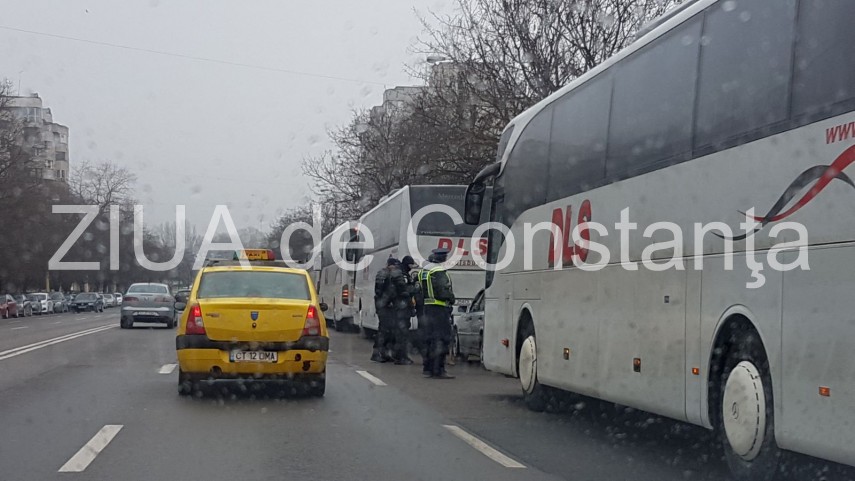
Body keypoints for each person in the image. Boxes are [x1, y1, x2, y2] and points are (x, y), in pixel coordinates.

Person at [416, 248, 456, 379]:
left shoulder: (424, 271)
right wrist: (451, 298)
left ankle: (427, 368)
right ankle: (439, 370)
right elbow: (443, 291)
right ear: (442, 258)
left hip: (427, 309)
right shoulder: (438, 271)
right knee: (442, 339)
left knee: (429, 339)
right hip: (440, 310)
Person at [371, 257, 400, 362]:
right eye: (395, 265)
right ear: (390, 265)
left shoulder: (387, 274)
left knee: (388, 331)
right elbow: (381, 291)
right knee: (383, 331)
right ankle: (377, 353)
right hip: (384, 306)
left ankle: (384, 353)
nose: (396, 268)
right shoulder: (384, 274)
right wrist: (388, 301)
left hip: (386, 306)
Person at [393, 255, 419, 365]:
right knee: (402, 334)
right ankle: (401, 357)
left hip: (402, 307)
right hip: (402, 308)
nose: (411, 267)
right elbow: (404, 291)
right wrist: (415, 287)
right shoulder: (402, 275)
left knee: (402, 333)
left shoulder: (402, 273)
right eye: (410, 265)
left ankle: (399, 355)